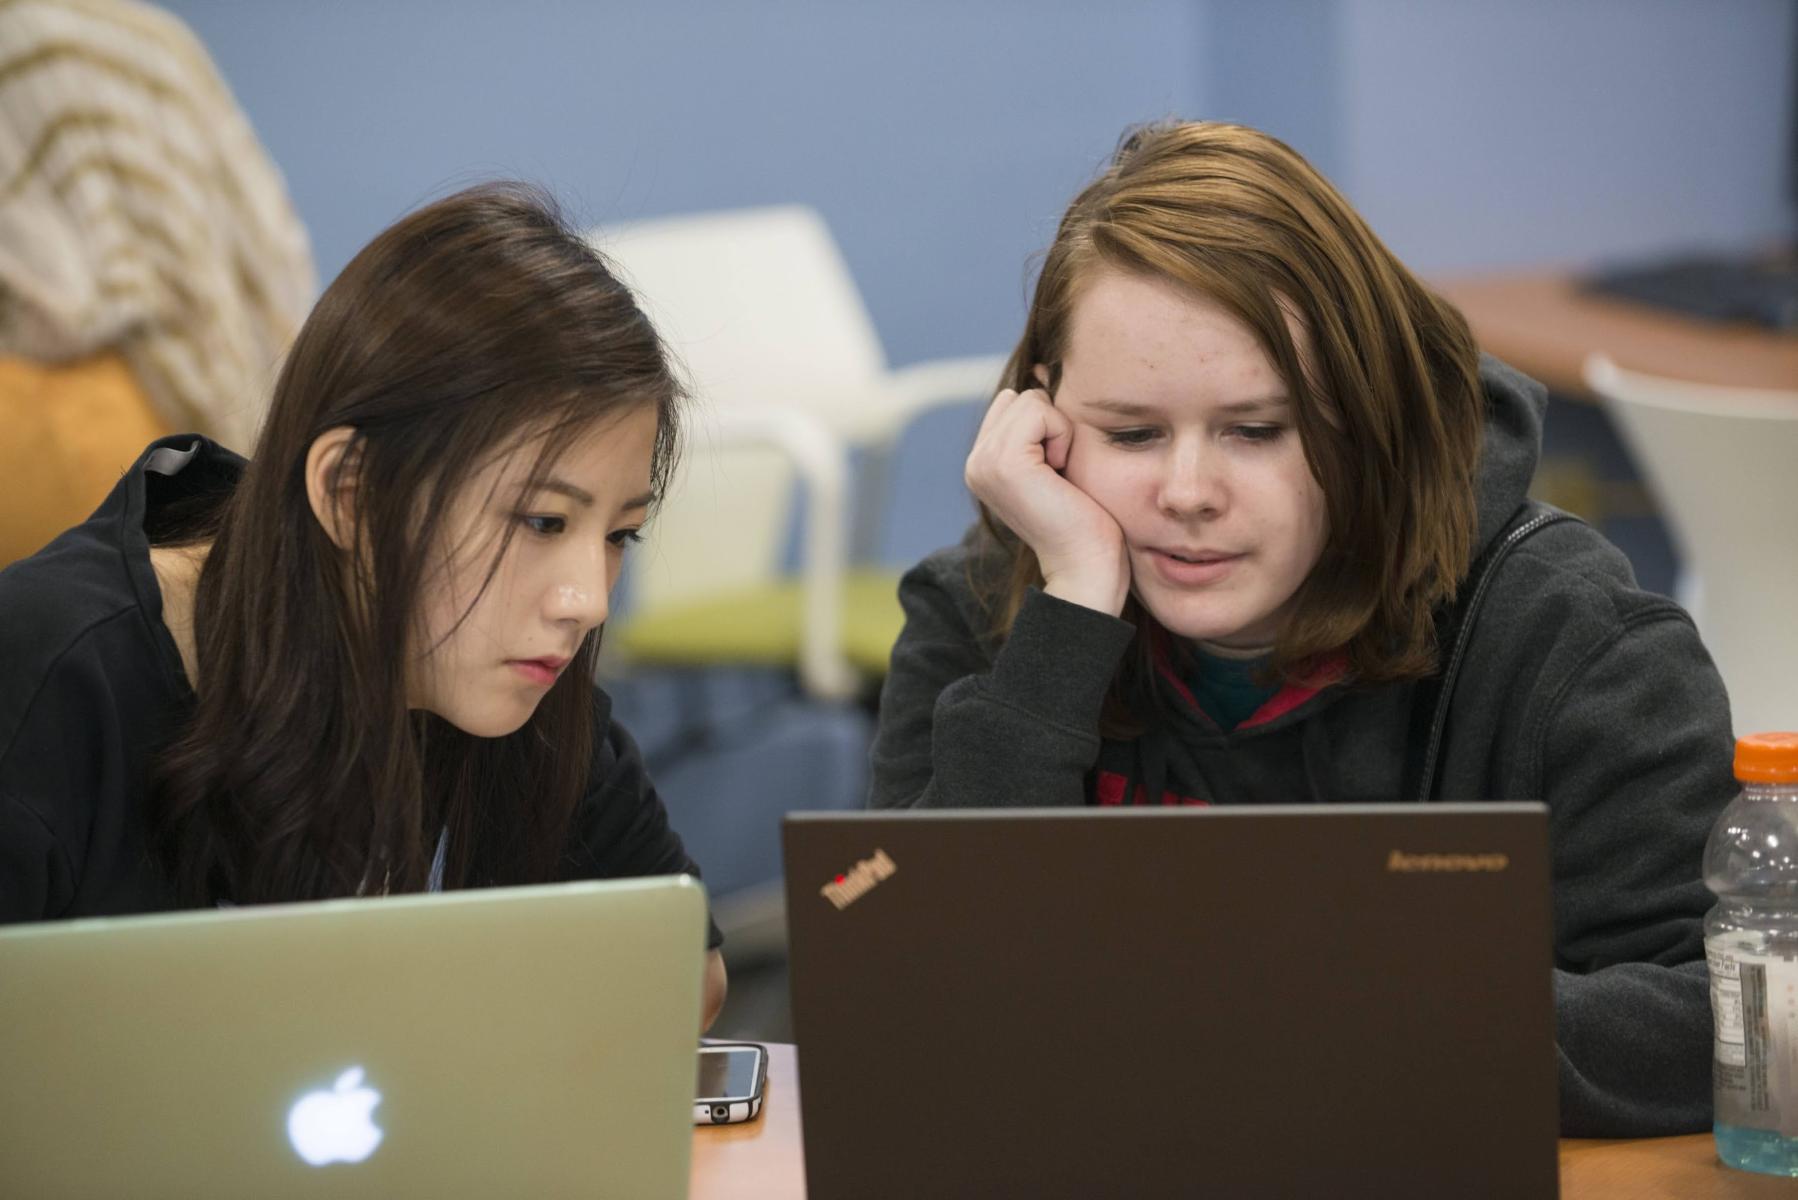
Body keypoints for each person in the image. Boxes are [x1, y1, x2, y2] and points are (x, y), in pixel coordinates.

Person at [869, 121, 1732, 1135]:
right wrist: (1065, 628)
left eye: (1256, 430)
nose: (1188, 493)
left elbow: (1722, 1010)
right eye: (1131, 433)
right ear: (1043, 415)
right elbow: (894, 1003)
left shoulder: (1573, 639)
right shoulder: (986, 617)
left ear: (1365, 422)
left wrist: (1316, 1020)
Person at [0, 183, 727, 1029]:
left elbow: (688, 974)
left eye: (619, 536)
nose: (587, 602)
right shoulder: (50, 667)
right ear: (349, 493)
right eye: (541, 520)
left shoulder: (517, 683)